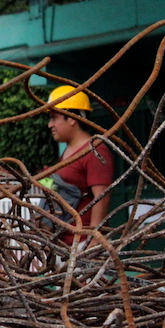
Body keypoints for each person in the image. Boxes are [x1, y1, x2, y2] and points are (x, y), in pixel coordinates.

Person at [44, 85, 114, 244]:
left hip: (83, 245)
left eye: (54, 117)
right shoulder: (68, 150)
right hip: (64, 244)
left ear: (72, 118)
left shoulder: (95, 151)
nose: (50, 124)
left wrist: (93, 241)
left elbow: (101, 197)